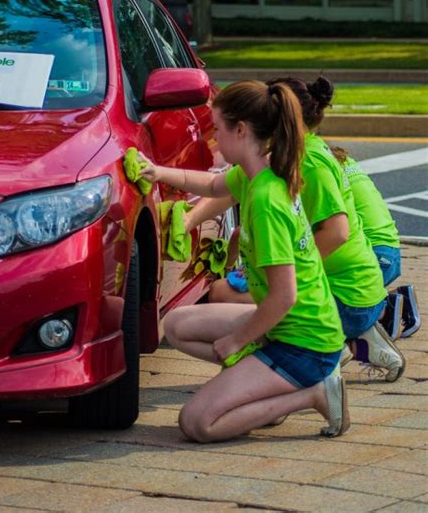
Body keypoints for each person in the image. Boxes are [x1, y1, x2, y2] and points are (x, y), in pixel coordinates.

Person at [138, 80, 348, 443]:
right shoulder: (259, 172)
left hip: (304, 343)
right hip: (281, 326)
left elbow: (285, 296)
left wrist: (237, 340)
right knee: (176, 325)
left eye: (217, 129)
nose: (213, 139)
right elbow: (212, 186)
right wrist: (157, 172)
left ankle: (313, 393)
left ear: (241, 129)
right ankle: (266, 382)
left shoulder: (266, 200)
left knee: (198, 423)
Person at [265, 76, 405, 380]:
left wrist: (290, 269)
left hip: (368, 272)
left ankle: (323, 360)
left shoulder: (310, 162)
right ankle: (358, 335)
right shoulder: (318, 153)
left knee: (271, 309)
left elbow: (337, 233)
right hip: (368, 275)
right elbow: (226, 184)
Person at [331, 146, 420, 338]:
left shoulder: (325, 172)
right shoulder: (347, 163)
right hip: (390, 251)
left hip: (375, 257)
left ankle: (384, 310)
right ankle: (395, 299)